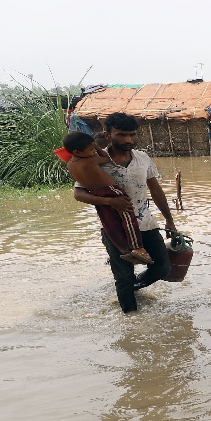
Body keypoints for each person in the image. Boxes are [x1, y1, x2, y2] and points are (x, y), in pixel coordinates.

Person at [72, 112, 176, 313]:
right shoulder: (94, 160)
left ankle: (135, 287)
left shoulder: (143, 158)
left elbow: (156, 190)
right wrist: (110, 201)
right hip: (115, 229)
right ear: (108, 134)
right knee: (123, 277)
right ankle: (130, 321)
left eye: (132, 135)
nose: (128, 140)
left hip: (146, 224)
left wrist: (169, 220)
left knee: (163, 268)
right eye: (121, 135)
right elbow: (78, 194)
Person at [60, 131, 152, 265]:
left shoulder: (70, 164)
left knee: (110, 223)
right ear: (77, 152)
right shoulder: (91, 160)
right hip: (111, 191)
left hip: (95, 194)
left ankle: (124, 250)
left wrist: (91, 148)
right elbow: (106, 158)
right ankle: (138, 248)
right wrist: (97, 148)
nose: (93, 151)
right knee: (128, 218)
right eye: (91, 149)